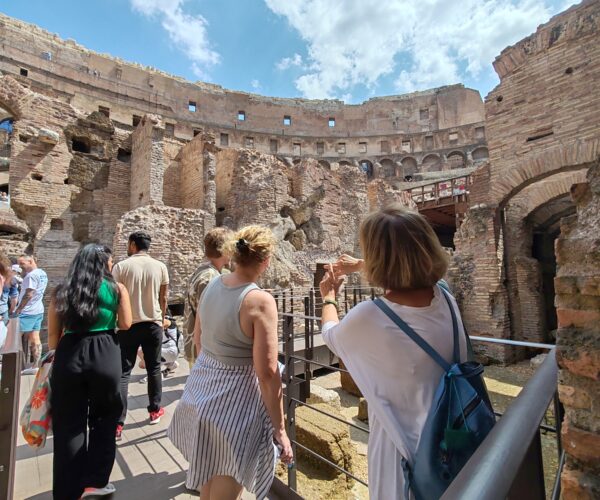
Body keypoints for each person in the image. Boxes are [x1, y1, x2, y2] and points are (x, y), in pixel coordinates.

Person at [321, 205, 467, 499]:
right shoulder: (445, 296)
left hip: (405, 453)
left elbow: (331, 336)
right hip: (454, 440)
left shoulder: (371, 316)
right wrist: (361, 264)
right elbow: (409, 262)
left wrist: (328, 297)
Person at [169, 226, 293, 499]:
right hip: (235, 405)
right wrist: (280, 429)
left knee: (208, 484)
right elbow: (268, 373)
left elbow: (199, 341)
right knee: (228, 482)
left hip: (202, 391)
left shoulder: (213, 283)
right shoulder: (259, 300)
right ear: (266, 260)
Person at [48, 244, 132, 500]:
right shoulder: (117, 289)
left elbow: (52, 339)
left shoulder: (62, 291)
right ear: (103, 263)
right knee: (105, 419)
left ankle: (67, 490)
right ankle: (95, 482)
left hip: (69, 352)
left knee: (68, 425)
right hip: (105, 351)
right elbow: (126, 324)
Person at [113, 231, 169, 438]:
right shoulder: (160, 266)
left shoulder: (120, 267)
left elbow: (115, 296)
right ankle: (155, 410)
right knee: (154, 368)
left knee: (123, 372)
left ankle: (118, 423)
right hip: (153, 323)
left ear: (133, 245)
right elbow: (164, 296)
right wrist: (161, 318)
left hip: (128, 325)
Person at [182, 227, 232, 366]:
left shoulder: (204, 271)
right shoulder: (210, 278)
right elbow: (207, 320)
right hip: (204, 352)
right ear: (225, 249)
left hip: (200, 349)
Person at [15, 254, 48, 374]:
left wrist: (19, 309)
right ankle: (35, 365)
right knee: (35, 338)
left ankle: (18, 366)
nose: (20, 266)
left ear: (31, 261)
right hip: (38, 310)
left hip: (27, 311)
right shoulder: (42, 273)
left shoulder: (31, 276)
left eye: (22, 263)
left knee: (14, 339)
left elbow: (29, 294)